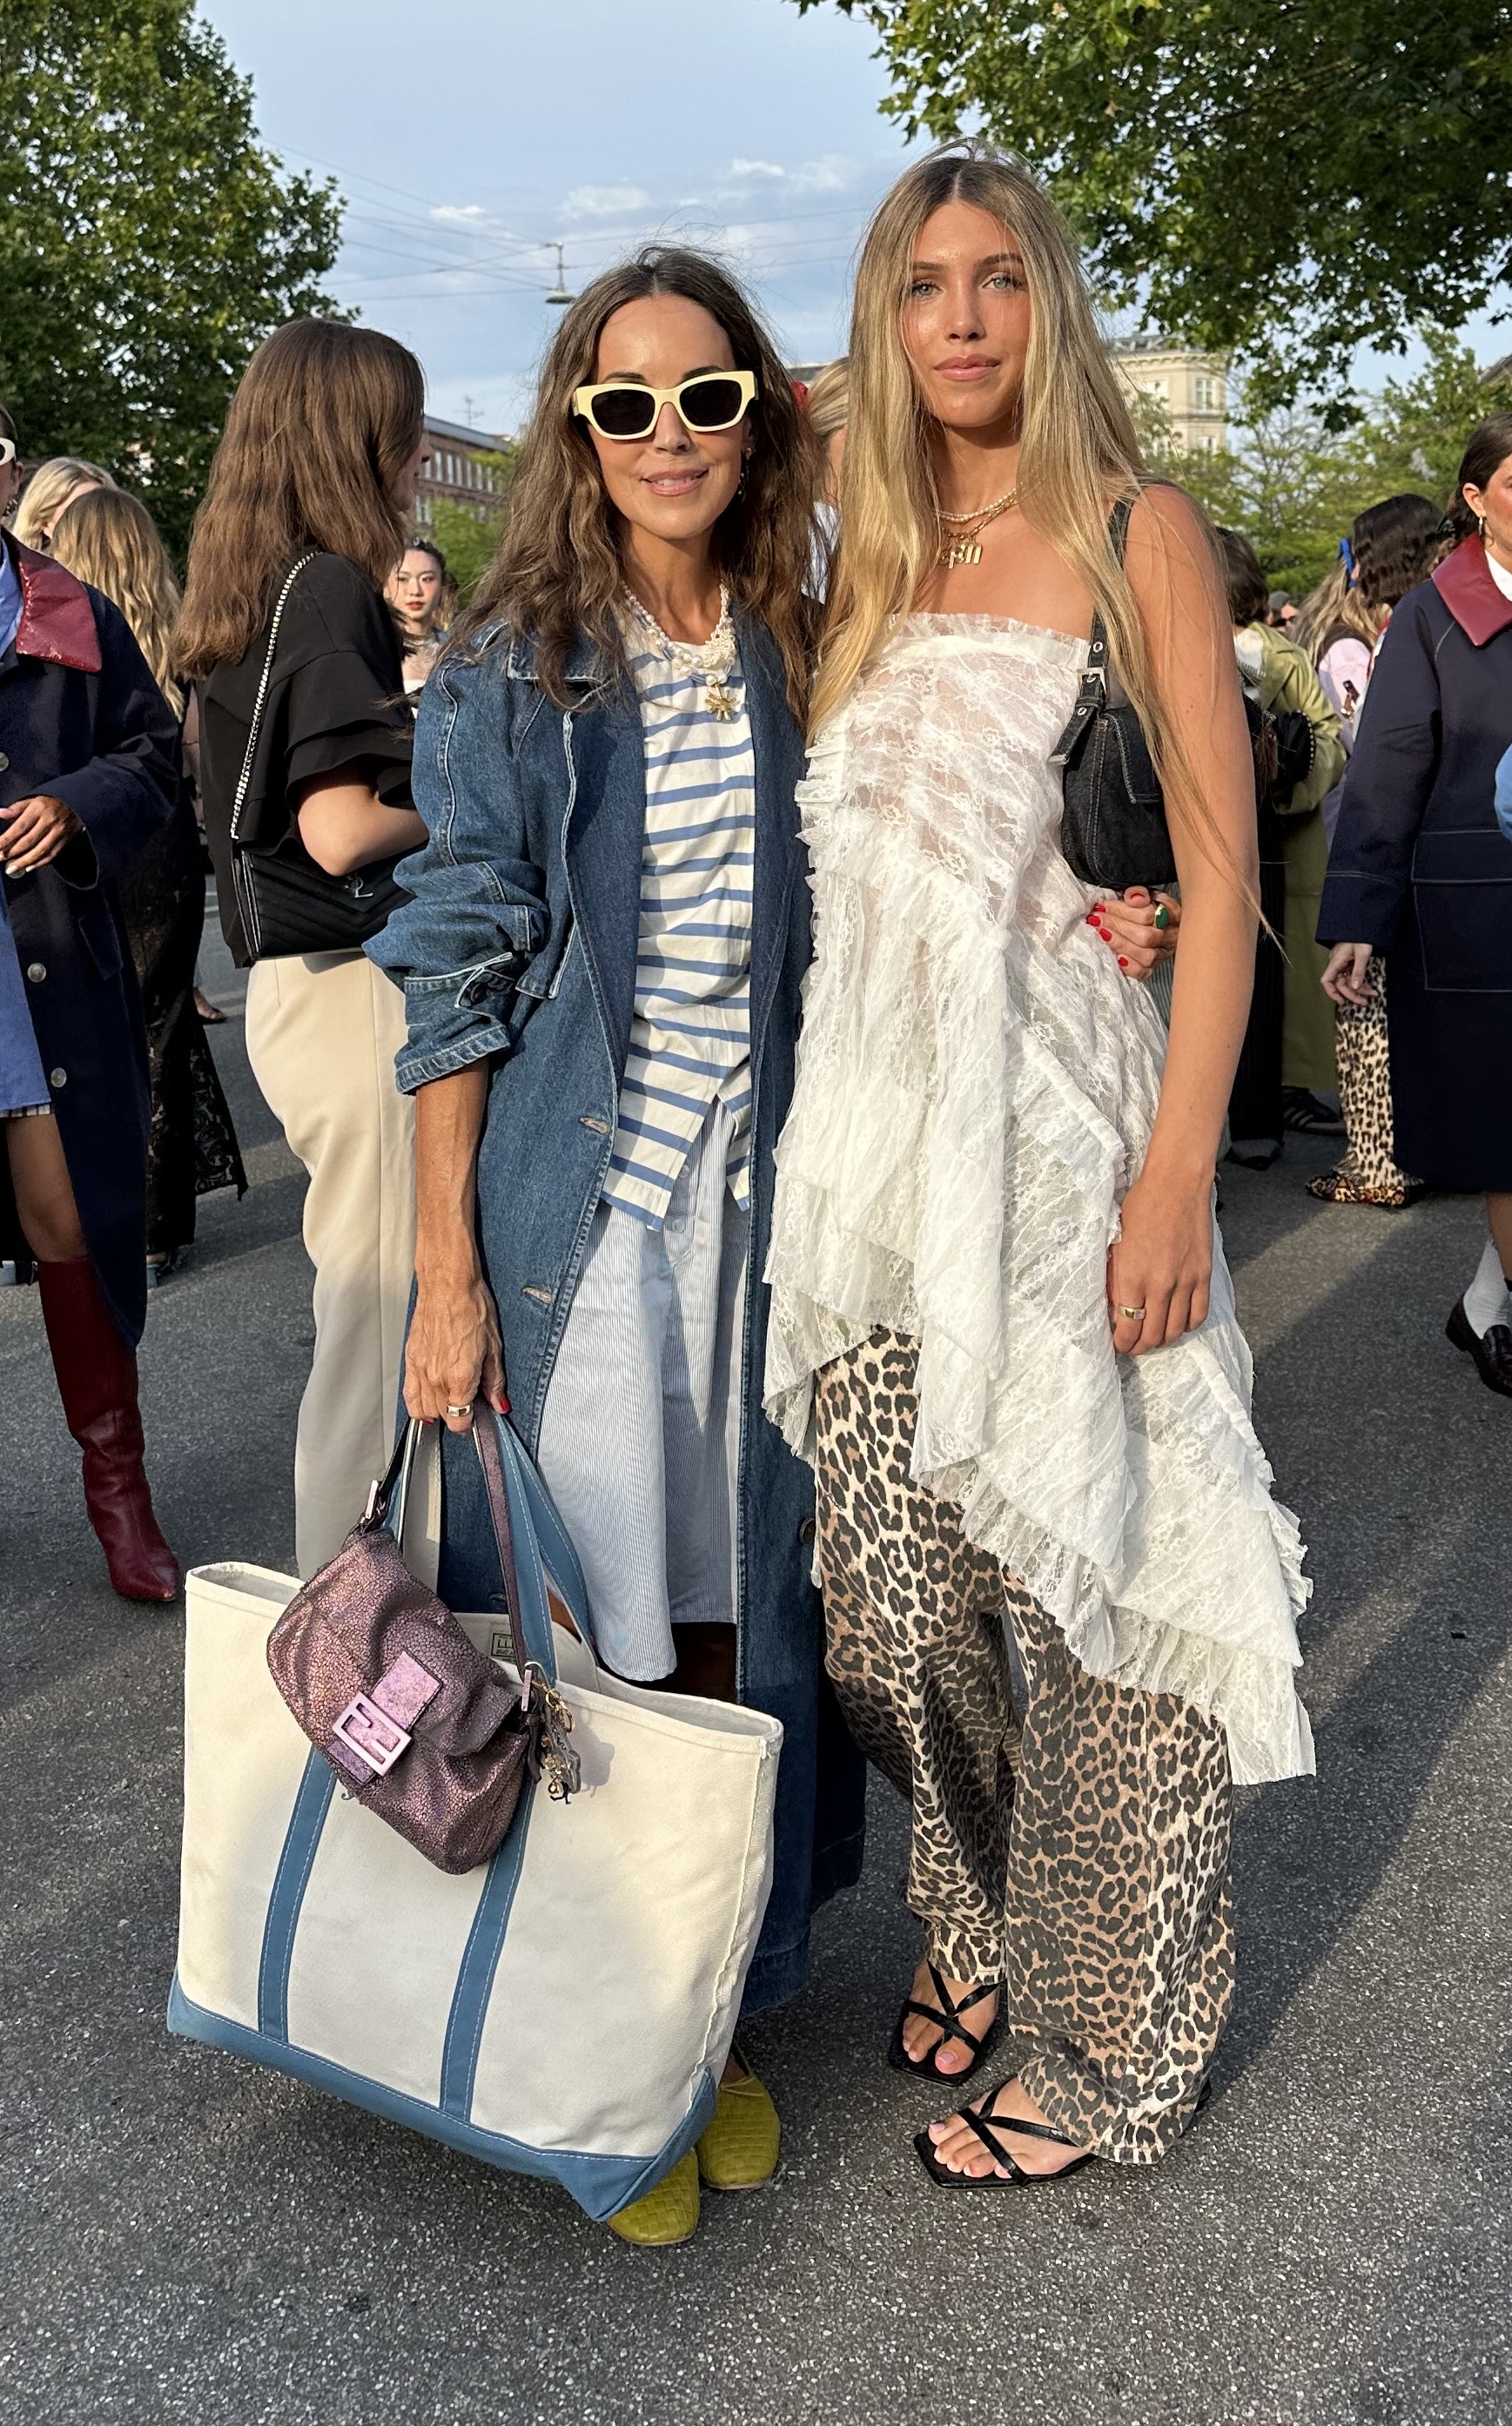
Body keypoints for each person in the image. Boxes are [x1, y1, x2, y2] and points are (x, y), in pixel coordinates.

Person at [763, 146, 1313, 2191]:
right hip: (872, 1147)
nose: (968, 319)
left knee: (1103, 1583)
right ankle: (982, 1909)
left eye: (1001, 279)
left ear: (1049, 300)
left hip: (1072, 1130)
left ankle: (1113, 2045)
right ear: (885, 320)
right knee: (889, 1606)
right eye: (926, 288)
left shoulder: (1133, 523)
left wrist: (1179, 1174)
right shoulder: (861, 549)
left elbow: (1217, 849)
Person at [371, 245, 866, 2245]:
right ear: (577, 430)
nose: (670, 433)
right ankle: (587, 2049)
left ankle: (711, 2023)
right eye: (626, 401)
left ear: (757, 416)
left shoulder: (791, 635)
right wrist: (446, 1268)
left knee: (742, 1626)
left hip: (762, 1234)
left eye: (708, 396)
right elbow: (458, 963)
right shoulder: (514, 665)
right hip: (579, 1231)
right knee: (572, 1654)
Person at [177, 320, 429, 1572]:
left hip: (294, 987)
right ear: (357, 435)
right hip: (352, 989)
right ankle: (362, 1653)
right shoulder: (331, 584)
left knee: (362, 1320)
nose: (420, 453)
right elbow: (340, 829)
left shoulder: (245, 585)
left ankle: (358, 1645)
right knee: (377, 1338)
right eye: (405, 426)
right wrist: (473, 793)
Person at [0, 410, 183, 1600]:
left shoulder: (69, 608)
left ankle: (120, 1494)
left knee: (68, 1217)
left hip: (37, 962)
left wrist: (72, 804)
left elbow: (157, 758)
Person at [1320, 416, 1512, 1396]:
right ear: (1476, 500)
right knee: (1504, 1128)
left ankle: (1486, 1303)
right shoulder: (1437, 614)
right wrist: (1358, 915)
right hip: (1478, 911)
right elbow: (1388, 769)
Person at [49, 487, 245, 1277]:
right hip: (159, 833)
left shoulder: (58, 626)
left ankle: (77, 1217)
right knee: (159, 1023)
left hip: (79, 824)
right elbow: (196, 745)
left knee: (80, 1022)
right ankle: (158, 1226)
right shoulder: (175, 630)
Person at [1297, 498, 1441, 1208]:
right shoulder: (1396, 634)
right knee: (1380, 994)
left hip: (1376, 836)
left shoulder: (1380, 635)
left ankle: (1382, 1159)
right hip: (1397, 838)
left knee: (1368, 997)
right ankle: (1394, 1154)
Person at [1217, 527, 1347, 1159]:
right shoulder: (1278, 653)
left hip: (1231, 833)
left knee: (1238, 968)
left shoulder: (1204, 648)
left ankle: (1248, 1110)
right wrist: (1288, 790)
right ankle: (1264, 1112)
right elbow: (1328, 736)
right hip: (1270, 830)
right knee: (1266, 970)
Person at [384, 537, 455, 702]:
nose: (415, 591)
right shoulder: (374, 649)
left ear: (442, 585)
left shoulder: (457, 650)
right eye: (402, 579)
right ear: (385, 586)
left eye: (427, 579)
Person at [10, 456, 116, 554]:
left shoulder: (127, 569)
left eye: (102, 508)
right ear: (44, 523)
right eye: (78, 512)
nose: (94, 519)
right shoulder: (15, 571)